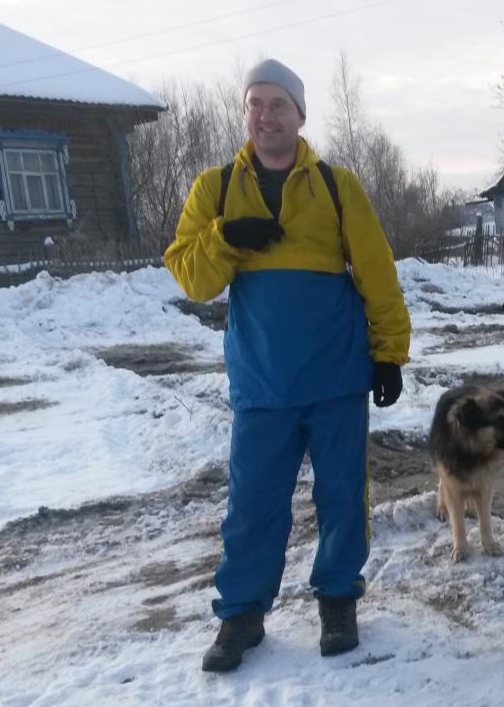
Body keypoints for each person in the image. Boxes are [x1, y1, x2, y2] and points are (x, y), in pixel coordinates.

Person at [165, 59, 411, 673]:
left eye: (279, 104)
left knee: (342, 496)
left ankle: (338, 599)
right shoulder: (215, 188)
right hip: (262, 381)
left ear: (300, 115)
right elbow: (193, 278)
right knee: (253, 503)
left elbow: (377, 273)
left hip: (336, 377)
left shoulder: (336, 186)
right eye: (256, 103)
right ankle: (242, 613)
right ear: (245, 112)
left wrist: (388, 353)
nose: (266, 115)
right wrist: (226, 236)